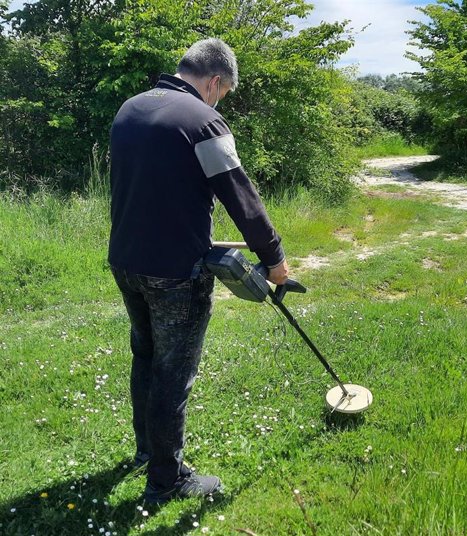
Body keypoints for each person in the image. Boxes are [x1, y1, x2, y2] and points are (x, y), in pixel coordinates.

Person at [108, 38, 289, 504]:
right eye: (222, 92)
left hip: (126, 261)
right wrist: (275, 260)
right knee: (173, 373)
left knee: (146, 357)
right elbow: (240, 196)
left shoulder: (130, 109)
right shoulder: (203, 121)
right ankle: (167, 480)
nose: (219, 100)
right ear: (213, 81)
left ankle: (149, 451)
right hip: (175, 273)